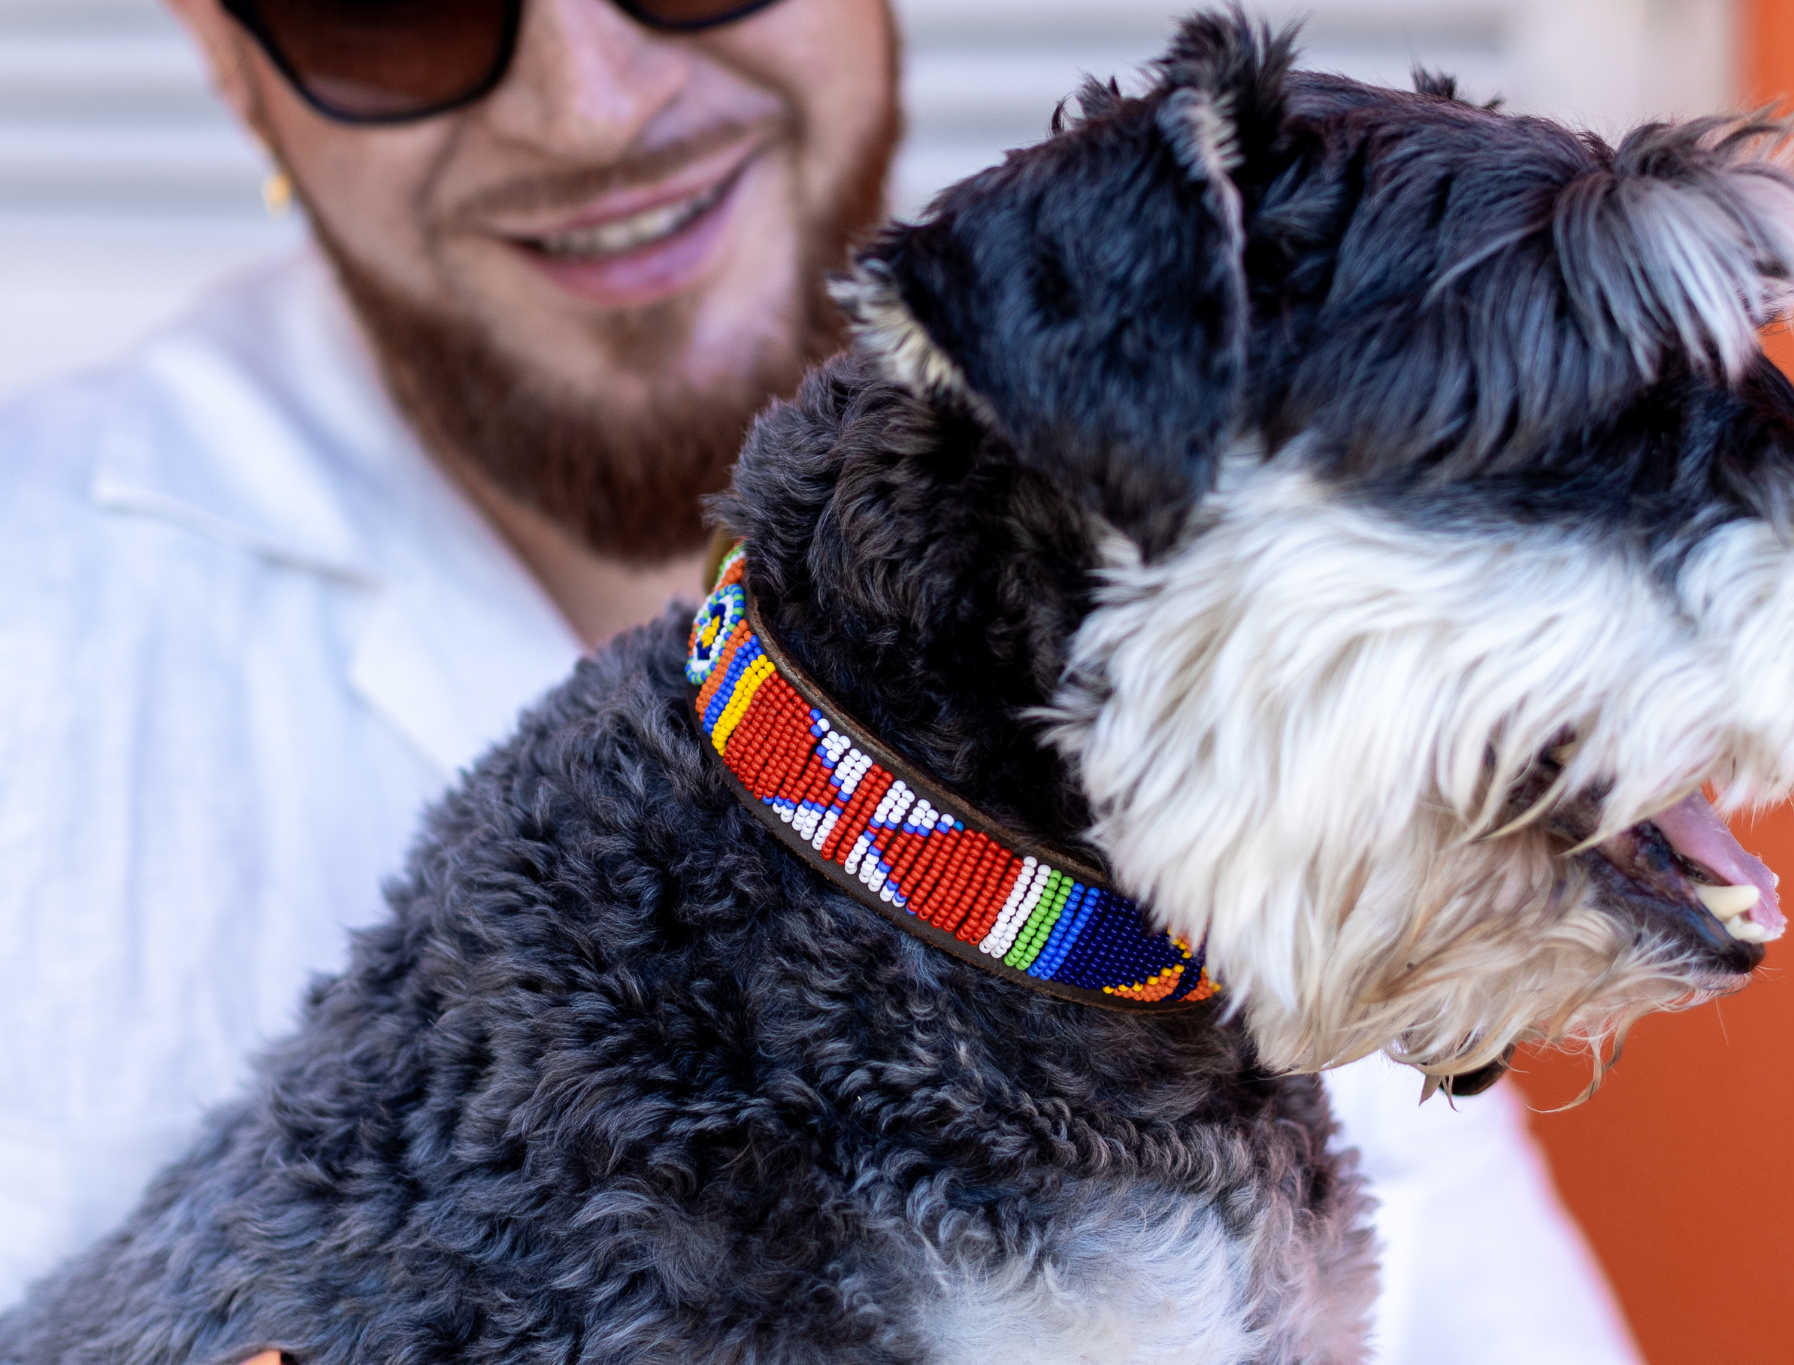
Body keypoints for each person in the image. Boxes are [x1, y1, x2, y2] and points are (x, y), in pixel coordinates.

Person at [0, 2, 1640, 1360]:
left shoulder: (1279, 598)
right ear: (224, 58)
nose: (589, 108)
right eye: (397, 11)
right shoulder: (39, 628)